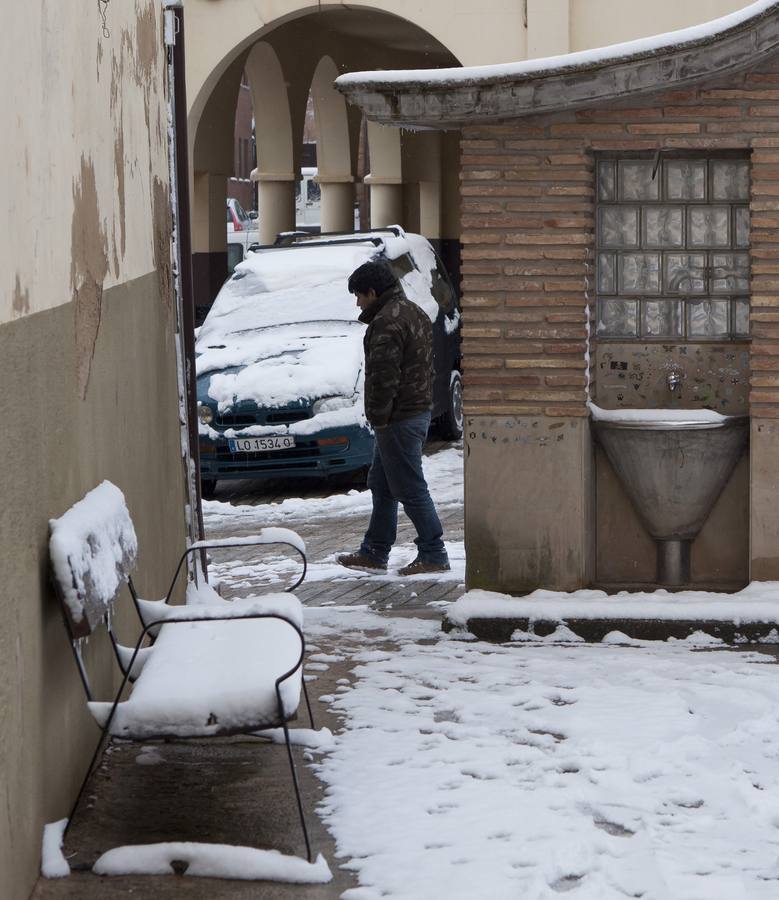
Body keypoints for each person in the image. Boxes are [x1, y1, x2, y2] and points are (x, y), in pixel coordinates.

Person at [337, 260, 450, 576]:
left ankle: (434, 552)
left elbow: (384, 378)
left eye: (359, 296)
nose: (358, 302)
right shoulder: (414, 311)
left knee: (409, 487)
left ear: (373, 292)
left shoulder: (388, 322)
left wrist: (379, 418)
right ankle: (374, 551)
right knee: (382, 484)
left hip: (398, 417)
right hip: (413, 412)